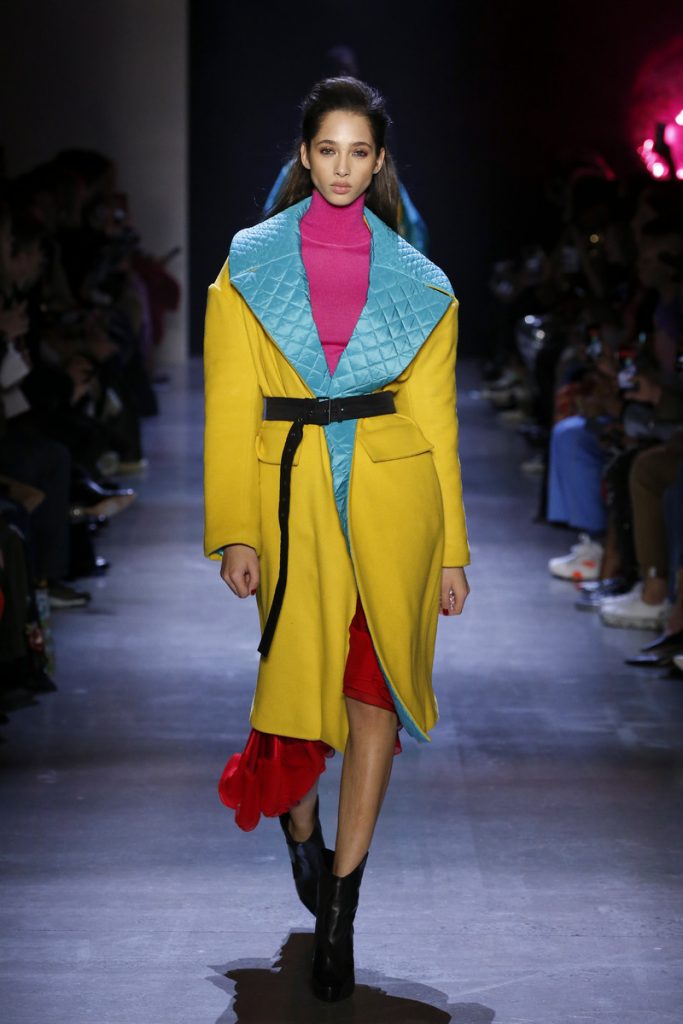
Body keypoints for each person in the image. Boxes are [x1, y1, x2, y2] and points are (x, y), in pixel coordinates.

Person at [202, 76, 470, 1003]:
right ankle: (300, 827)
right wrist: (235, 531)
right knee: (297, 692)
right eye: (328, 150)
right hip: (292, 499)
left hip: (396, 504)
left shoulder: (421, 282)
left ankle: (340, 917)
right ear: (304, 155)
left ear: (379, 160)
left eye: (360, 152)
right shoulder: (248, 264)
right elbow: (229, 405)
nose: (343, 168)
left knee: (372, 699)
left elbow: (437, 422)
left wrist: (452, 551)